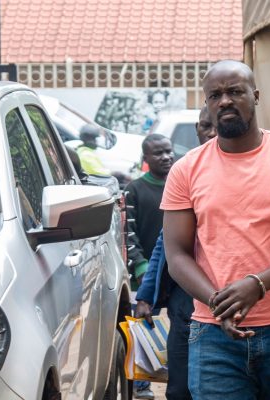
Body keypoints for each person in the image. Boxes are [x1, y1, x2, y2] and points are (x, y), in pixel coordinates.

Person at [162, 60, 270, 399]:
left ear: (255, 96)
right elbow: (177, 255)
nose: (225, 101)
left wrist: (257, 285)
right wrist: (218, 304)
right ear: (207, 104)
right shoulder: (186, 170)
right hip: (214, 336)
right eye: (215, 95)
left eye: (235, 92)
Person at [134, 106, 216, 400]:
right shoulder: (185, 173)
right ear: (197, 130)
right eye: (206, 126)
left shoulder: (253, 170)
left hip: (232, 299)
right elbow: (165, 243)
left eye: (217, 126)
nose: (212, 133)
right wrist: (146, 294)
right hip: (186, 300)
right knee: (180, 386)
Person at [125, 133, 174, 400]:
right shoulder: (135, 189)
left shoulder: (180, 183)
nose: (166, 157)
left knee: (180, 327)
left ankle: (176, 377)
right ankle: (142, 385)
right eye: (158, 153)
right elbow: (129, 232)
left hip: (176, 272)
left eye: (168, 151)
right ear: (146, 158)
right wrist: (142, 267)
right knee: (144, 326)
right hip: (145, 274)